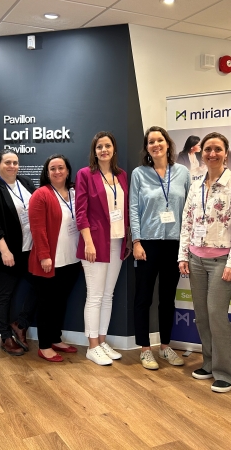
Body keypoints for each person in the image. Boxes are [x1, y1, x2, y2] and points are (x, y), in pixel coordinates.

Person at [178, 132, 231, 393]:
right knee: (202, 316)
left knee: (217, 315)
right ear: (202, 153)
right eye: (207, 149)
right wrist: (182, 255)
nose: (212, 154)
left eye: (217, 149)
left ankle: (227, 373)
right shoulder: (196, 185)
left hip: (221, 261)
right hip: (196, 259)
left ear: (225, 154)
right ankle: (209, 363)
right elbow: (187, 221)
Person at [130, 126, 190, 370]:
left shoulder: (183, 172)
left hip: (174, 244)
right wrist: (136, 241)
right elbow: (133, 208)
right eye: (151, 141)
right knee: (143, 298)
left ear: (167, 144)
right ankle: (145, 349)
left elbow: (188, 210)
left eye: (159, 140)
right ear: (147, 148)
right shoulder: (139, 174)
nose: (155, 144)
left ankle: (165, 346)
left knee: (167, 299)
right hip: (147, 244)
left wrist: (185, 246)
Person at [75, 132, 130, 366]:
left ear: (114, 149)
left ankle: (102, 341)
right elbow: (81, 211)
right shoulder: (85, 174)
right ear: (94, 151)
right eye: (99, 146)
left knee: (108, 295)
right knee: (95, 296)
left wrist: (128, 239)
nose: (104, 150)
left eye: (107, 145)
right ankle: (92, 346)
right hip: (95, 243)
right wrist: (88, 242)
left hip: (117, 242)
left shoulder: (122, 175)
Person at [0, 149, 37, 356]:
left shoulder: (25, 182)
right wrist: (5, 251)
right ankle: (5, 337)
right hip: (5, 253)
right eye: (7, 162)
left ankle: (20, 324)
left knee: (39, 286)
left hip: (28, 249)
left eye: (15, 162)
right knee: (4, 295)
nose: (12, 166)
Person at [29, 154, 82, 362]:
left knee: (60, 302)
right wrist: (44, 256)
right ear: (47, 172)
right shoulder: (41, 195)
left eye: (61, 167)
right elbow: (37, 228)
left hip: (71, 258)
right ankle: (44, 345)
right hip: (50, 261)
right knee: (46, 304)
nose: (57, 171)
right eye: (53, 168)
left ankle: (55, 338)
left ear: (67, 170)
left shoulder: (74, 192)